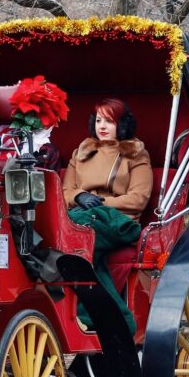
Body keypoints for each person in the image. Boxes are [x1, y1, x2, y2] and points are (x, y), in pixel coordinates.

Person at [62, 97, 152, 333]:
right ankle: (118, 319)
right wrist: (80, 197)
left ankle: (88, 315)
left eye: (109, 121)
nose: (102, 126)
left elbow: (138, 198)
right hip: (81, 216)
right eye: (99, 120)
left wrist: (100, 204)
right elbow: (66, 191)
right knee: (81, 245)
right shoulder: (80, 153)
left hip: (119, 222)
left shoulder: (136, 154)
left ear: (121, 125)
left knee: (78, 234)